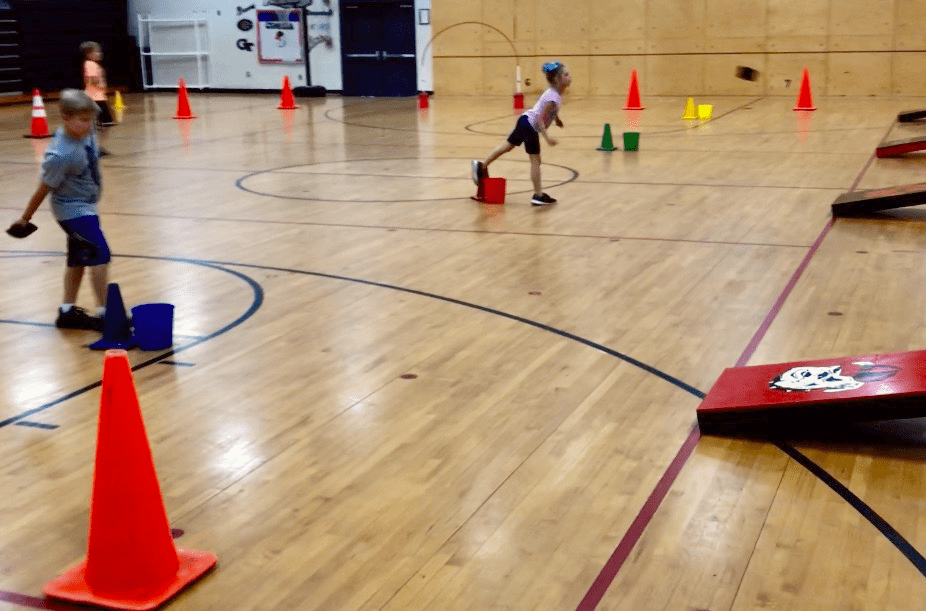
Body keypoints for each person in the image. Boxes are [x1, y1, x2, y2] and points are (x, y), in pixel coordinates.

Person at [10, 89, 110, 331]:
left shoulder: (85, 130)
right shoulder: (60, 155)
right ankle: (106, 313)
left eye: (91, 120)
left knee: (77, 260)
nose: (89, 126)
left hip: (87, 205)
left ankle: (67, 312)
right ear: (66, 119)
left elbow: (89, 140)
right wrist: (25, 218)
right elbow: (43, 188)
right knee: (100, 254)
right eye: (84, 121)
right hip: (72, 211)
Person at [472, 61, 571, 206]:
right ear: (558, 79)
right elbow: (539, 120)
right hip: (530, 125)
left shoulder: (555, 94)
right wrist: (548, 137)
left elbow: (549, 110)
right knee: (535, 161)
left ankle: (482, 166)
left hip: (525, 121)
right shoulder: (553, 97)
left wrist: (557, 119)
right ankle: (538, 196)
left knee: (508, 146)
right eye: (566, 75)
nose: (570, 78)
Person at [80, 41, 113, 156]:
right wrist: (99, 84)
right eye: (97, 52)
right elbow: (92, 79)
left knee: (101, 124)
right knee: (106, 123)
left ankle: (95, 146)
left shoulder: (91, 64)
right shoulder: (91, 64)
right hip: (96, 98)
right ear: (89, 54)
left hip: (96, 97)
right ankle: (95, 147)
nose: (99, 54)